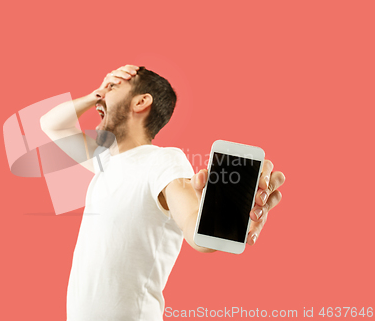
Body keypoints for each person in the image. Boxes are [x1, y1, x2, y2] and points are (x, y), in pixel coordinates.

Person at [40, 65, 285, 321]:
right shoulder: (106, 163)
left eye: (112, 87)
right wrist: (99, 93)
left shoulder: (164, 161)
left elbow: (195, 228)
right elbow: (51, 125)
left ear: (141, 101)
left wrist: (222, 218)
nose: (100, 99)